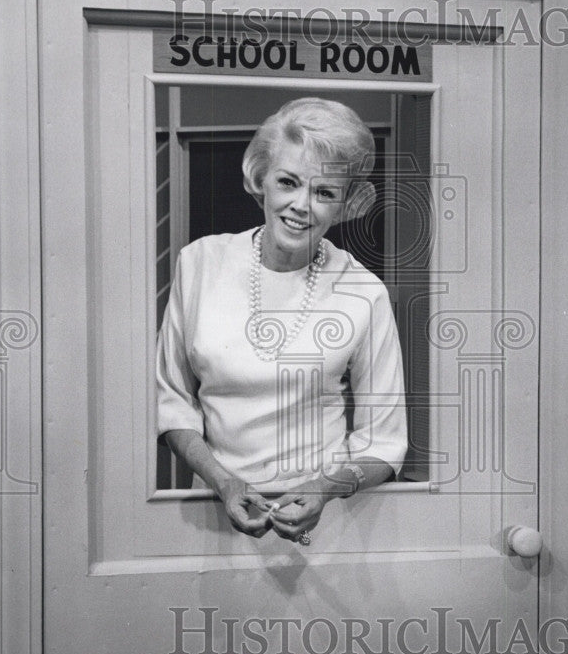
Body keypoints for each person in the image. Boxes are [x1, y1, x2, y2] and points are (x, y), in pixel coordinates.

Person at [156, 96, 407, 545]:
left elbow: (384, 443)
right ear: (262, 179)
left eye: (324, 192)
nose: (300, 205)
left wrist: (323, 489)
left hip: (321, 521)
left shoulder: (365, 292)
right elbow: (173, 400)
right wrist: (223, 481)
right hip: (210, 512)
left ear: (346, 203)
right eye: (288, 182)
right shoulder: (199, 262)